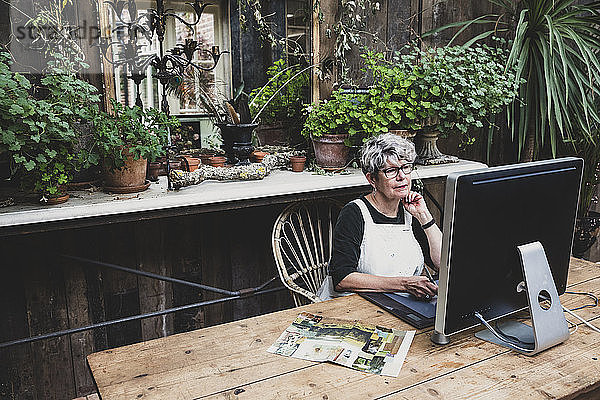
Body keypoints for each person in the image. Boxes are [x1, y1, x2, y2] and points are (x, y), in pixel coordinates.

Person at [317, 133, 442, 300]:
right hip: (354, 307)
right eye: (391, 170)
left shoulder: (411, 213)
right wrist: (404, 284)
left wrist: (425, 217)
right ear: (372, 179)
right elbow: (342, 278)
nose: (402, 177)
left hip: (401, 305)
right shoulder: (354, 213)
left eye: (406, 167)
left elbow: (443, 265)